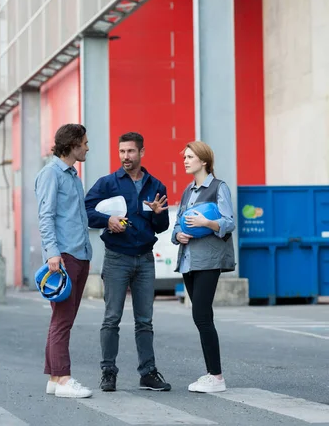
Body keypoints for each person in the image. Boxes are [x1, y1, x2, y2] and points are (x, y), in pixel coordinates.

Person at [85, 132, 172, 393]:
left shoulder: (156, 185)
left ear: (142, 153)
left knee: (145, 320)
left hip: (145, 259)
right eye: (122, 151)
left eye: (131, 152)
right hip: (116, 258)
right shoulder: (108, 183)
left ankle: (148, 373)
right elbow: (87, 211)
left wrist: (158, 215)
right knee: (111, 318)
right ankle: (108, 372)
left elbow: (162, 226)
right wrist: (107, 220)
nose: (125, 157)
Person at [171, 140, 235, 394]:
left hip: (209, 261)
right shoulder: (188, 191)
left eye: (190, 157)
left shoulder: (219, 188)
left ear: (204, 161)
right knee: (202, 318)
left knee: (201, 315)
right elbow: (177, 224)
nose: (185, 160)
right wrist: (178, 236)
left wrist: (207, 222)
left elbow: (228, 223)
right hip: (188, 260)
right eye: (184, 157)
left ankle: (216, 377)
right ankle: (212, 374)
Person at [35, 123, 93, 399]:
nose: (87, 147)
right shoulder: (51, 174)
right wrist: (52, 253)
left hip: (80, 253)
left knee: (62, 319)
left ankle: (55, 377)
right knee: (62, 320)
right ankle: (64, 379)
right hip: (64, 256)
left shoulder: (73, 176)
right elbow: (46, 216)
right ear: (72, 145)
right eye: (84, 142)